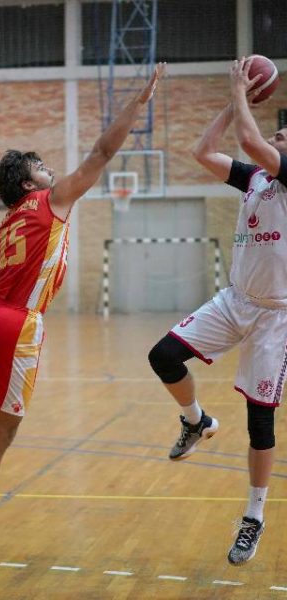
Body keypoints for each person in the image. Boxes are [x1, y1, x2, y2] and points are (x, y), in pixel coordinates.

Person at [0, 63, 166, 574]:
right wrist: (138, 104)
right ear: (28, 182)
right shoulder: (50, 202)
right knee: (2, 432)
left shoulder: (8, 222)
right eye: (40, 166)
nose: (50, 169)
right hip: (17, 322)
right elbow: (102, 152)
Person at [148, 57, 287, 566]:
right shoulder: (255, 180)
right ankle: (196, 421)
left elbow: (251, 141)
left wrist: (238, 91)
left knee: (259, 422)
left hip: (276, 317)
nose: (279, 132)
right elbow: (203, 151)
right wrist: (234, 106)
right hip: (235, 300)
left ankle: (254, 516)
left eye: (285, 133)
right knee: (163, 356)